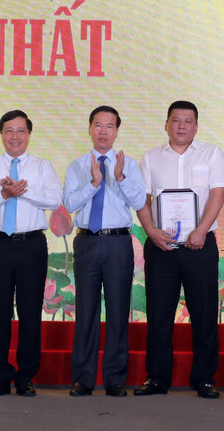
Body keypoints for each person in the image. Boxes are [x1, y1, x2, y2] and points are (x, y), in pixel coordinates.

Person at [136, 100, 224, 399]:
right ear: (166, 124)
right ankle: (157, 378)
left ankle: (204, 378)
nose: (182, 126)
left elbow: (217, 195)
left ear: (196, 126)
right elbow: (143, 200)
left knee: (203, 313)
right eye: (176, 120)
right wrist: (150, 231)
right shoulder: (150, 158)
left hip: (200, 245)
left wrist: (201, 230)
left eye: (188, 121)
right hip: (161, 246)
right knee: (159, 314)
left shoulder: (212, 154)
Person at [0, 110, 63, 397]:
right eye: (9, 130)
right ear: (1, 134)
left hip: (31, 245)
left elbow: (54, 199)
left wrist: (22, 192)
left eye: (21, 130)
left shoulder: (42, 167)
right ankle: (0, 375)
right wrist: (4, 195)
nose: (15, 136)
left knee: (30, 312)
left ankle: (25, 376)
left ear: (29, 134)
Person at [62, 105, 147, 397]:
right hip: (87, 242)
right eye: (98, 125)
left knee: (118, 311)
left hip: (118, 243)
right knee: (85, 312)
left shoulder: (129, 165)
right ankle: (83, 379)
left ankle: (114, 379)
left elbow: (138, 202)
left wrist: (119, 178)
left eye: (109, 126)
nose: (103, 132)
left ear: (116, 131)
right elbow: (70, 204)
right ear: (89, 129)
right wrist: (94, 183)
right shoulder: (77, 166)